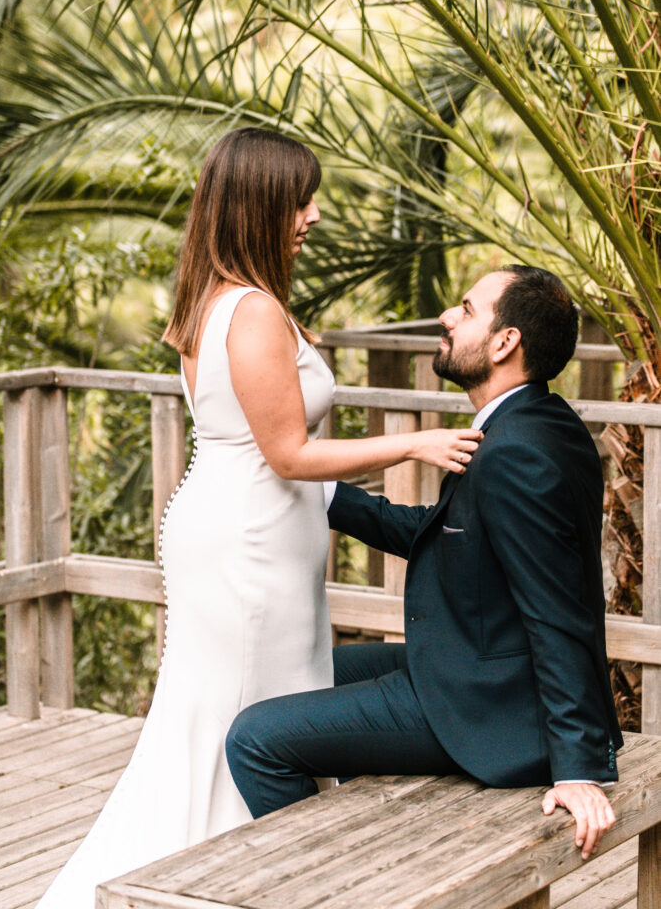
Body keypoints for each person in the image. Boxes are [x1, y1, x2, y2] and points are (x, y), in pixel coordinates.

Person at [35, 128, 481, 908]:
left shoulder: (219, 299)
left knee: (258, 701)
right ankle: (220, 877)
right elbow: (287, 454)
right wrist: (421, 442)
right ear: (258, 205)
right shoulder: (250, 312)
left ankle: (252, 875)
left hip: (248, 531)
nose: (312, 215)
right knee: (244, 710)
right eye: (299, 200)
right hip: (245, 544)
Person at [226, 265, 623, 862]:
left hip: (491, 708)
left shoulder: (515, 454)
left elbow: (559, 611)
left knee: (254, 739)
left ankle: (322, 884)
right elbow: (442, 533)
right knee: (302, 666)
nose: (447, 317)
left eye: (466, 309)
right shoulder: (537, 422)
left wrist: (578, 767)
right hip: (466, 663)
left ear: (504, 343)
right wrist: (320, 490)